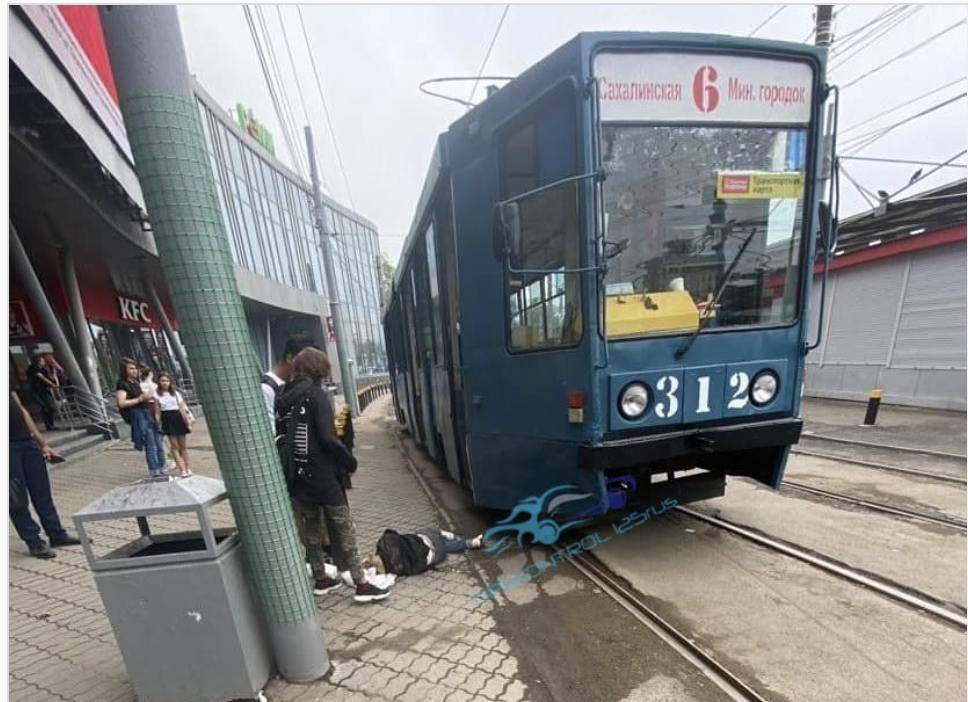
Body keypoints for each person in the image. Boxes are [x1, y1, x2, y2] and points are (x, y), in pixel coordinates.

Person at [276, 347, 389, 603]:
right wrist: (349, 462)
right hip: (323, 476)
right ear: (320, 370)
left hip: (298, 475)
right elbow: (328, 437)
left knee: (313, 529)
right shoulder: (316, 397)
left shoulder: (284, 396)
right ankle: (361, 584)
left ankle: (321, 578)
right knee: (344, 527)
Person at [9, 388, 82, 558]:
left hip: (27, 442)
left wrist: (42, 443)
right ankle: (34, 542)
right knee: (16, 497)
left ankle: (56, 534)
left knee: (42, 491)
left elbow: (21, 410)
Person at [115, 358, 166, 477]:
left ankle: (162, 466)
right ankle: (155, 469)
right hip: (140, 415)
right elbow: (121, 402)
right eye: (131, 368)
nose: (134, 371)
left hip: (149, 412)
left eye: (135, 368)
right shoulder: (122, 384)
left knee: (159, 443)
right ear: (124, 370)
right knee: (150, 443)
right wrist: (139, 399)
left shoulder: (137, 382)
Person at [366, 528, 484, 577]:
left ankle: (471, 543)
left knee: (443, 546)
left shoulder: (393, 571)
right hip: (430, 539)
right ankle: (443, 534)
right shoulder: (387, 542)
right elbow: (390, 533)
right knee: (422, 532)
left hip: (435, 557)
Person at [154, 372, 193, 478]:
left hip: (178, 418)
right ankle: (182, 470)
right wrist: (157, 424)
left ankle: (188, 468)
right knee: (174, 446)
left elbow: (182, 409)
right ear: (159, 382)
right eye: (162, 380)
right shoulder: (157, 395)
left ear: (170, 382)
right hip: (167, 419)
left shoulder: (175, 393)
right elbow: (157, 412)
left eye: (167, 381)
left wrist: (187, 422)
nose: (165, 383)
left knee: (183, 446)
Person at [26, 354, 58, 431]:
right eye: (42, 360)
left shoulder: (44, 369)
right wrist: (52, 384)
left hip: (45, 391)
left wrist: (54, 374)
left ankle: (51, 424)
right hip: (36, 391)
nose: (44, 362)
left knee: (50, 407)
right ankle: (48, 426)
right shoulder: (33, 368)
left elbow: (51, 378)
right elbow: (41, 377)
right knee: (44, 407)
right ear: (38, 361)